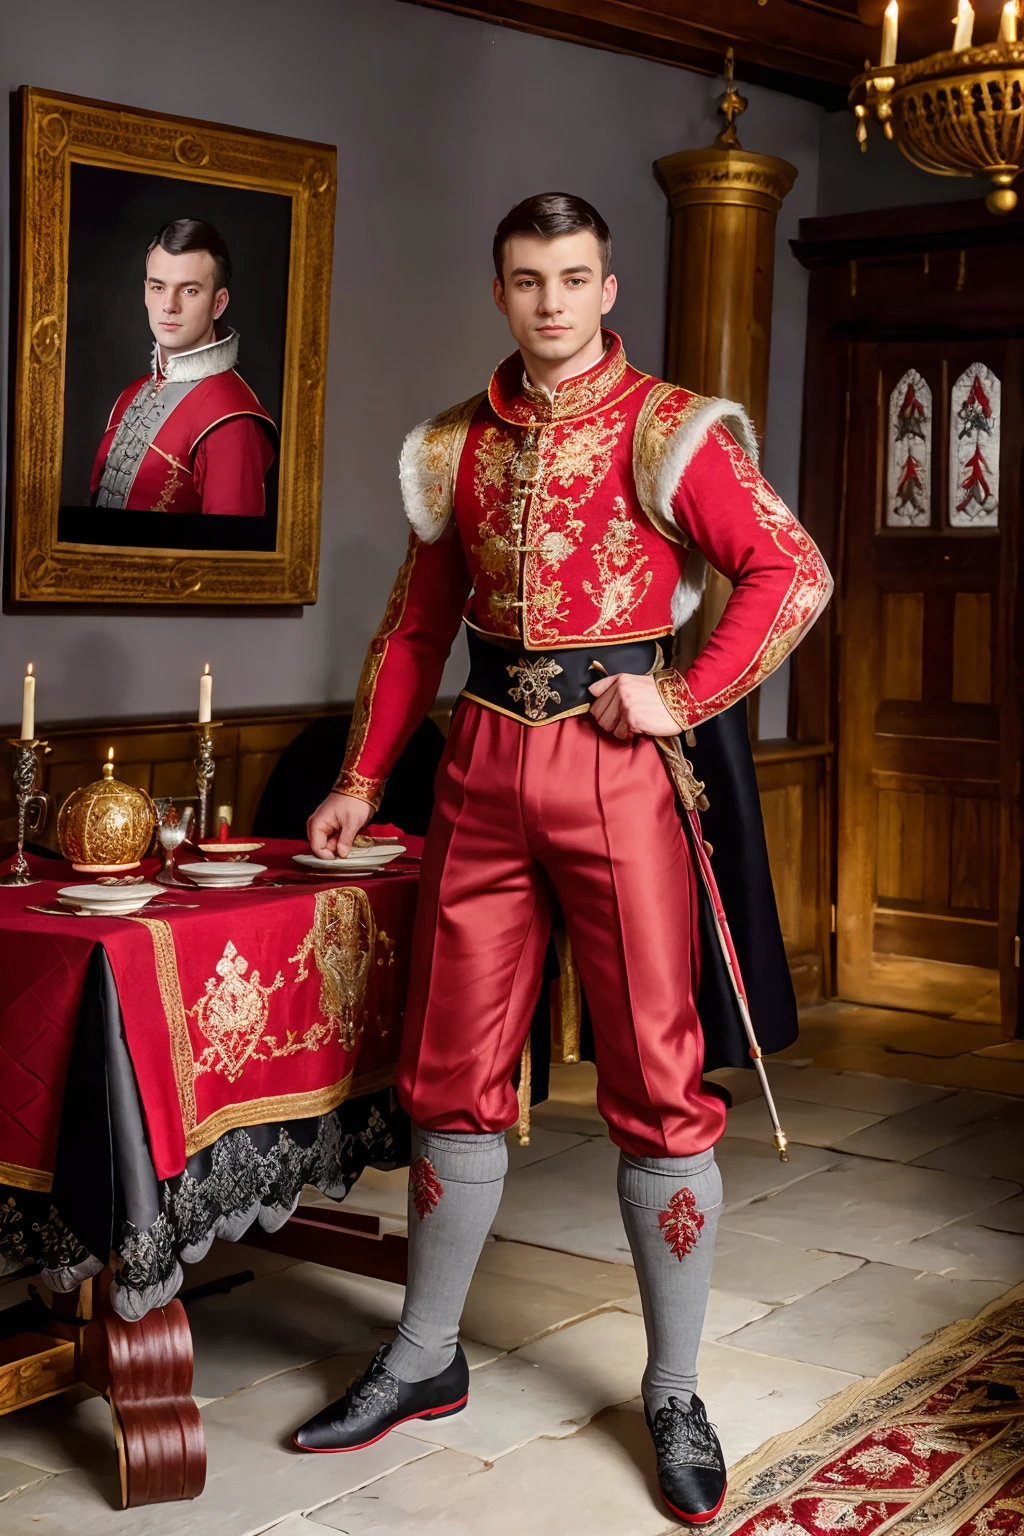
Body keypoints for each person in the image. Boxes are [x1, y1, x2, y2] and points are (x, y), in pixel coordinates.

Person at [295, 193, 832, 1525]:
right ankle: (424, 1357)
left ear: (606, 288)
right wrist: (362, 779)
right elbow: (415, 628)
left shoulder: (669, 426)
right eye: (528, 279)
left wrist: (683, 697)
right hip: (481, 765)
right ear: (501, 291)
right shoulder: (453, 446)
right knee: (450, 1076)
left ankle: (674, 1387)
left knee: (656, 1073)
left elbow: (791, 570)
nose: (551, 301)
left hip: (616, 773)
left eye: (574, 277)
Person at [90, 218, 276, 515]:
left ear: (219, 303)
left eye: (189, 290)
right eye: (159, 287)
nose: (169, 305)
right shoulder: (130, 396)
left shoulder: (231, 419)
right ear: (146, 292)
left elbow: (231, 555)